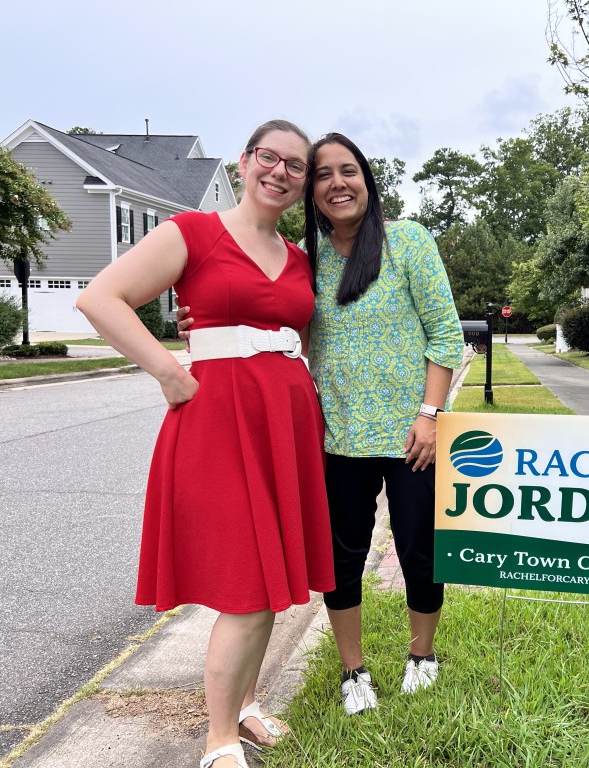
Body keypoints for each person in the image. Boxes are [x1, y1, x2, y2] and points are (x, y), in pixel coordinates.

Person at [77, 120, 334, 768]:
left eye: (295, 166)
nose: (280, 172)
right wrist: (168, 373)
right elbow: (101, 298)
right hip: (221, 424)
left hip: (285, 427)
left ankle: (245, 706)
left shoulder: (302, 260)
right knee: (247, 586)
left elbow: (305, 336)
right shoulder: (192, 232)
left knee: (272, 578)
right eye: (268, 158)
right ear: (244, 163)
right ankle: (218, 742)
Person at [303, 133, 464, 715]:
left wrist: (430, 414)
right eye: (324, 175)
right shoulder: (304, 259)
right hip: (339, 437)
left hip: (412, 438)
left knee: (421, 549)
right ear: (311, 190)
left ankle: (422, 657)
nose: (337, 183)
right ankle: (354, 671)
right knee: (342, 556)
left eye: (349, 172)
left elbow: (446, 334)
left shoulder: (407, 242)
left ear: (368, 182)